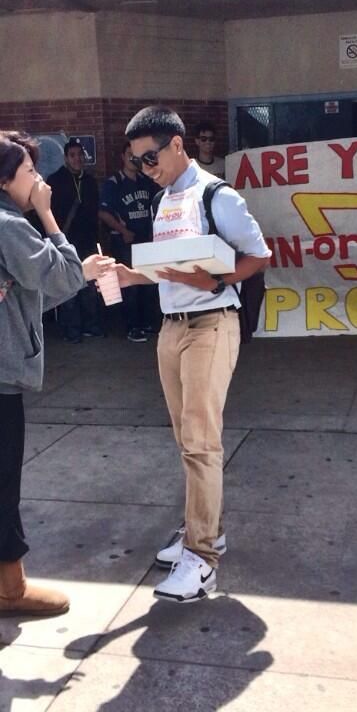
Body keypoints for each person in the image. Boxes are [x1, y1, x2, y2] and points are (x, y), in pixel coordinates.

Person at [115, 105, 270, 603]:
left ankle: (202, 558)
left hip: (212, 323)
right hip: (171, 327)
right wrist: (124, 274)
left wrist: (218, 279)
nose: (146, 167)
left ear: (177, 145)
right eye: (139, 161)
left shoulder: (216, 195)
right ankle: (206, 529)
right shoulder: (164, 201)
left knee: (201, 442)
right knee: (188, 440)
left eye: (152, 156)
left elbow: (260, 255)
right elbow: (166, 268)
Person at [0, 131, 113, 616]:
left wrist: (77, 273)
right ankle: (10, 588)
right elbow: (61, 278)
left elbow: (42, 292)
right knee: (4, 483)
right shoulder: (11, 224)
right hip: (2, 378)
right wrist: (49, 218)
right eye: (29, 172)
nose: (39, 180)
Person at [99, 141, 160, 342]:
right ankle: (132, 327)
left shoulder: (146, 181)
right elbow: (104, 212)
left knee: (148, 282)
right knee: (130, 285)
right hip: (125, 242)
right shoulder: (114, 183)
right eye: (129, 155)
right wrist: (123, 230)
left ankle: (147, 322)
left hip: (146, 241)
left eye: (136, 156)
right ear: (123, 157)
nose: (133, 159)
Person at [47, 139, 103, 343]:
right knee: (68, 287)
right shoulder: (54, 181)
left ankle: (91, 325)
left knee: (89, 286)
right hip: (66, 242)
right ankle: (71, 329)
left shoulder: (89, 181)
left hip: (87, 241)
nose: (77, 158)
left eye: (80, 154)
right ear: (65, 158)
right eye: (73, 155)